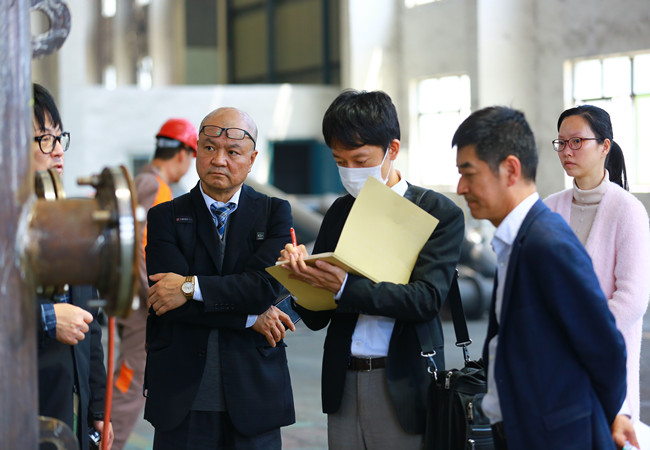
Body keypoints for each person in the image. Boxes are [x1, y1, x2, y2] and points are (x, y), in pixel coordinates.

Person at [279, 89, 465, 449]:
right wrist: (303, 276)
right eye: (340, 161)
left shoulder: (435, 213)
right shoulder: (339, 212)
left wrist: (346, 286)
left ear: (392, 149)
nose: (350, 171)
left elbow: (426, 300)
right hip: (344, 383)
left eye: (360, 159)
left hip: (402, 382)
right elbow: (318, 318)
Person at [453, 105, 628, 449]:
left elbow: (606, 350)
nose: (460, 187)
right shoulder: (518, 239)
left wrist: (597, 418)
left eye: (469, 173)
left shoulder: (546, 244)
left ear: (510, 169)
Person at [143, 107, 296, 449]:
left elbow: (261, 289)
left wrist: (190, 286)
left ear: (252, 158)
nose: (219, 160)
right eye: (209, 148)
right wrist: (250, 317)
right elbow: (167, 303)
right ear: (196, 149)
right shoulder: (166, 215)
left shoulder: (274, 213)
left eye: (232, 152)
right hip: (182, 397)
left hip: (254, 396)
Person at [544, 106, 650, 431]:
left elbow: (631, 299)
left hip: (604, 361)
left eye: (577, 142)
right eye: (561, 143)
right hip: (552, 360)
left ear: (605, 146)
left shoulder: (627, 210)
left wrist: (580, 336)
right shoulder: (549, 208)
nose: (567, 151)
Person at [33, 83, 114, 449]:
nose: (57, 151)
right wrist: (47, 319)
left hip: (71, 412)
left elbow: (90, 324)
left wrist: (98, 406)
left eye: (59, 137)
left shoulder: (71, 221)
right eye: (44, 139)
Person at [110, 118, 198, 450]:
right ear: (184, 153)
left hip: (132, 298)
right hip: (142, 303)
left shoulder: (143, 181)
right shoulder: (155, 187)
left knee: (129, 375)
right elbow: (139, 248)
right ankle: (107, 441)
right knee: (130, 380)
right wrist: (155, 297)